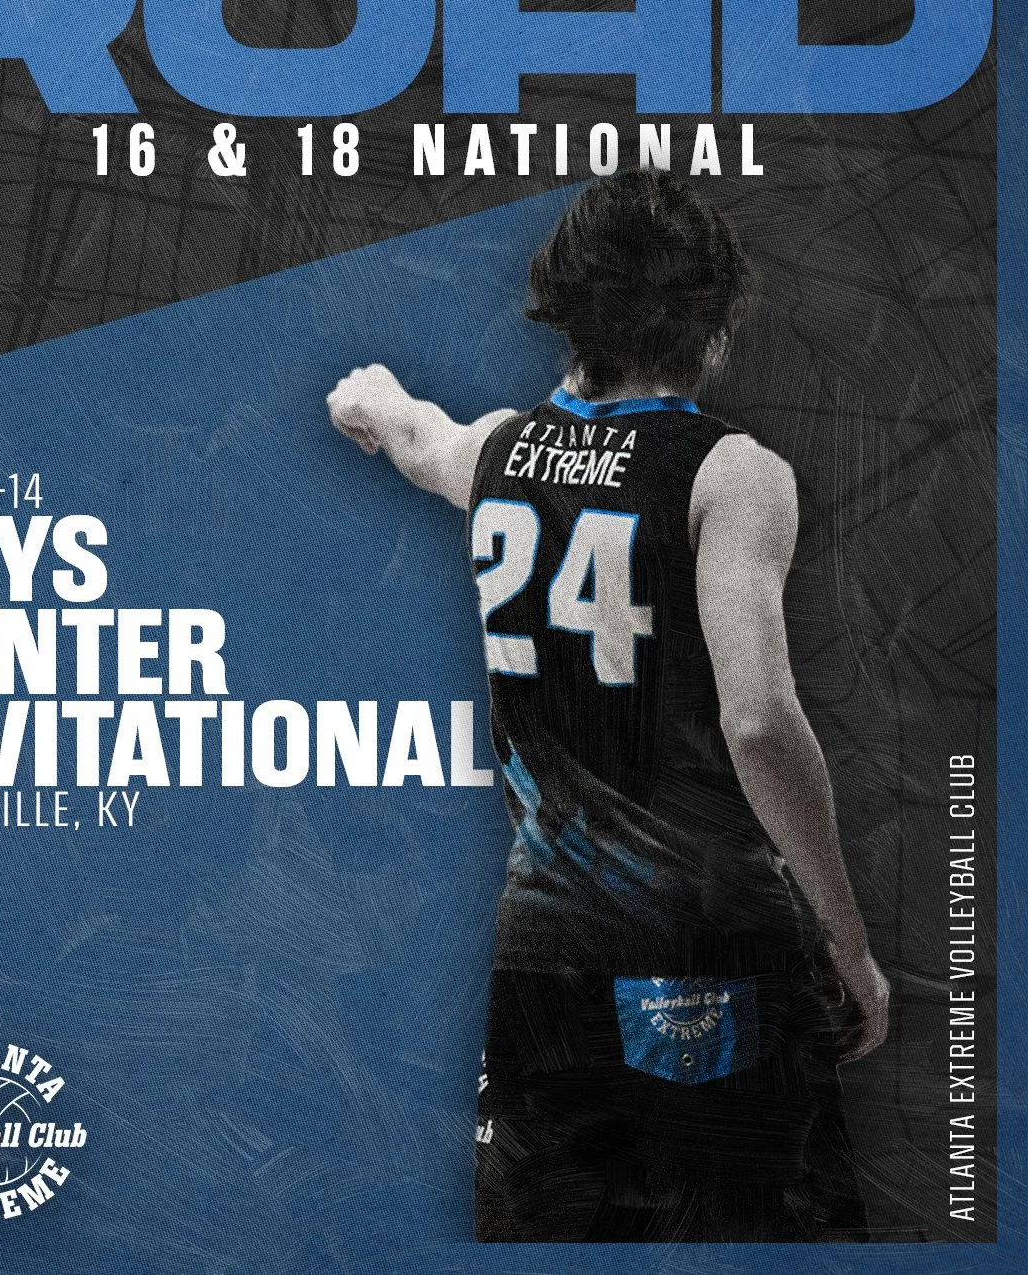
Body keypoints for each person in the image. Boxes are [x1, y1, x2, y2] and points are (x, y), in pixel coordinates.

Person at [326, 169, 889, 1242]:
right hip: (706, 949)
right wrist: (848, 945)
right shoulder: (731, 476)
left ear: (564, 310)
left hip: (541, 963)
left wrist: (370, 399)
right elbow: (761, 722)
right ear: (714, 326)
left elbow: (417, 437)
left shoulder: (499, 454)